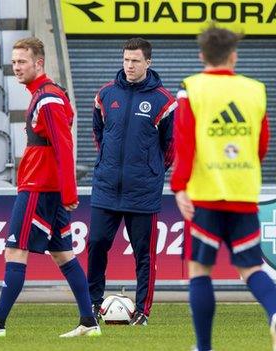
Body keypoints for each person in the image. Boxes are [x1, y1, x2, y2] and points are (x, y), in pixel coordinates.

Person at [0, 37, 100, 338]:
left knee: (15, 251)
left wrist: (69, 191)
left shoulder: (48, 99)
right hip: (46, 187)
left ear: (39, 63)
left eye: (22, 61)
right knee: (64, 255)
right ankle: (89, 322)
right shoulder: (45, 94)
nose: (16, 67)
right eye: (15, 61)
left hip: (39, 187)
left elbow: (63, 146)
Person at [171, 26, 276, 351]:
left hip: (205, 195)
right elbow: (263, 142)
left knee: (200, 270)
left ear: (202, 56)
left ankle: (204, 346)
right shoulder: (255, 90)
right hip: (242, 191)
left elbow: (184, 142)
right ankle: (275, 315)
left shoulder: (191, 89)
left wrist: (179, 186)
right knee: (251, 267)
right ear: (233, 56)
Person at [88, 37, 175, 325]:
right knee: (97, 243)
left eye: (135, 61)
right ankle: (92, 303)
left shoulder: (165, 101)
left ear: (148, 62)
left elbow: (170, 146)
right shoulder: (105, 94)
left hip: (143, 190)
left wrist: (151, 171)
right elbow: (99, 134)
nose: (129, 66)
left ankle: (142, 311)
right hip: (106, 187)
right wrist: (108, 165)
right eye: (126, 60)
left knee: (144, 255)